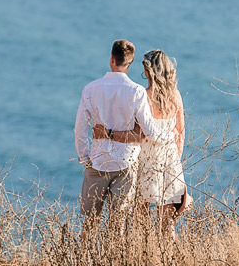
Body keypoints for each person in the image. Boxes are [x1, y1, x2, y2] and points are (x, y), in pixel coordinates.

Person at [73, 39, 175, 217]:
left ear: (111, 58)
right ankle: (114, 246)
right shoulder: (136, 91)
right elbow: (149, 130)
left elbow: (80, 129)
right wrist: (169, 136)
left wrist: (85, 158)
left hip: (98, 160)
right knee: (118, 222)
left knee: (90, 222)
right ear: (132, 61)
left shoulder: (90, 89)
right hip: (125, 163)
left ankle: (87, 246)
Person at [92, 49, 189, 224]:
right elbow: (180, 133)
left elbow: (137, 135)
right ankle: (166, 251)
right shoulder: (175, 96)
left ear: (147, 70)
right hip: (170, 158)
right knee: (168, 222)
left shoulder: (142, 95)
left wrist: (107, 134)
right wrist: (175, 161)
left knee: (140, 216)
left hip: (145, 159)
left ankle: (142, 250)